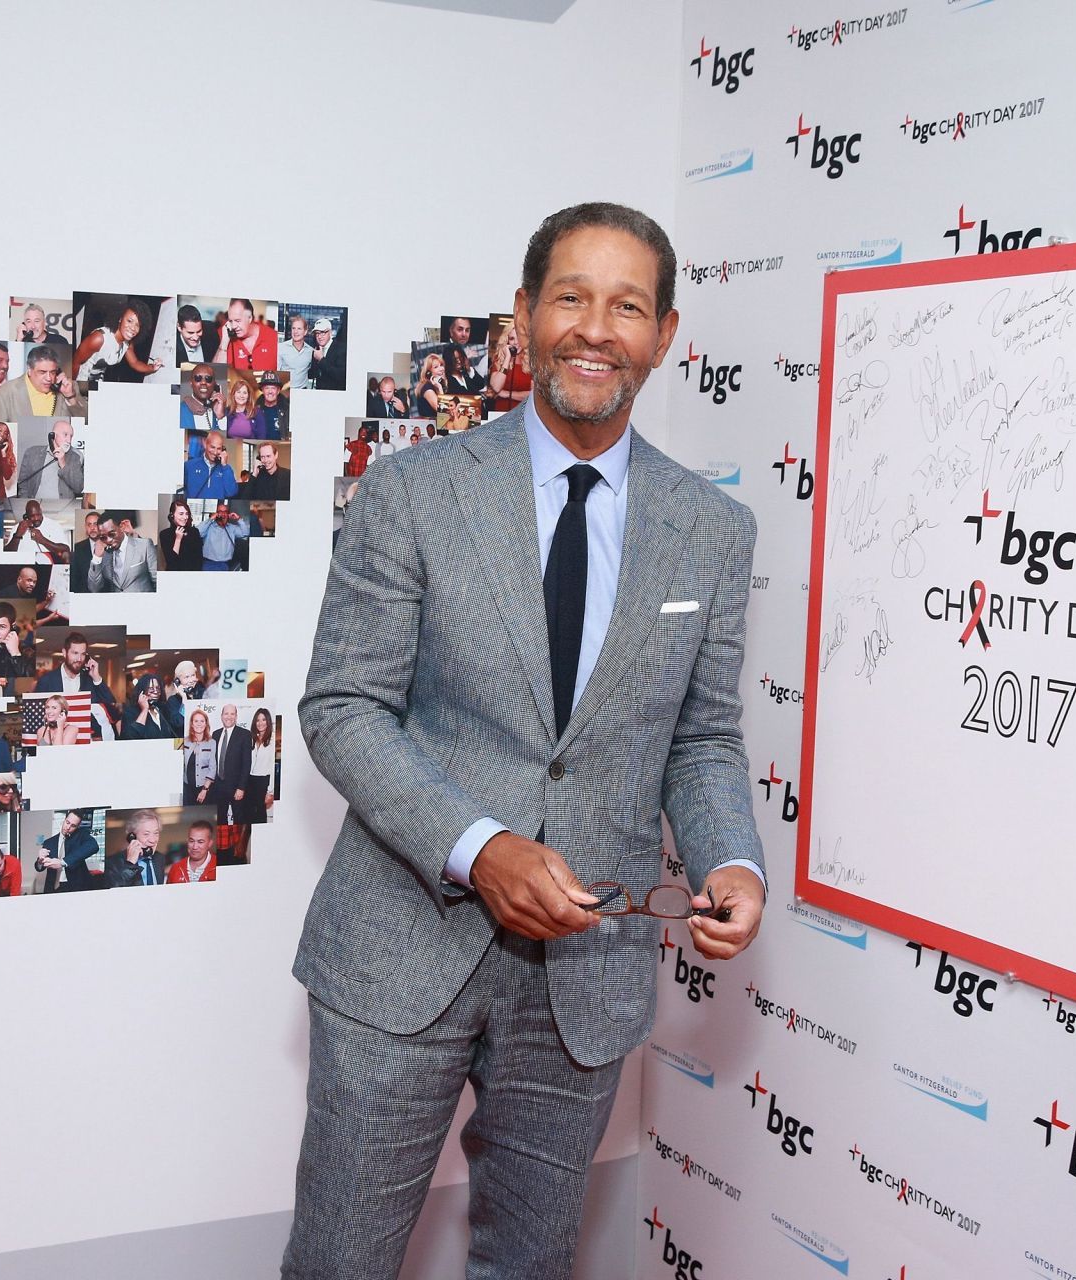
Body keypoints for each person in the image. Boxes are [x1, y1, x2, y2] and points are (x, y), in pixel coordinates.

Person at [282, 203, 766, 1278]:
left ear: (665, 335)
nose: (596, 329)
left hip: (586, 973)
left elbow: (704, 737)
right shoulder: (412, 491)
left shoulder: (714, 531)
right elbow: (341, 706)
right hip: (400, 948)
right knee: (340, 1260)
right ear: (523, 315)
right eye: (571, 298)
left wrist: (732, 858)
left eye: (627, 306)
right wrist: (481, 844)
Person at [73, 303, 161, 383]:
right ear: (120, 319)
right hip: (81, 381)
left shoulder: (127, 343)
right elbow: (75, 362)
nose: (133, 328)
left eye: (138, 325)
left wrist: (152, 367)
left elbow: (135, 363)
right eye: (129, 321)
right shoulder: (99, 338)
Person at [0, 345, 81, 421]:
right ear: (29, 370)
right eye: (42, 372)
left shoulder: (70, 388)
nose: (49, 378)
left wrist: (70, 397)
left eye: (53, 372)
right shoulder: (6, 392)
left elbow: (87, 424)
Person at [84, 513, 157, 593]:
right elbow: (94, 588)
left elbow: (156, 581)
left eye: (112, 534)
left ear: (121, 527)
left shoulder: (144, 545)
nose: (108, 540)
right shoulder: (105, 554)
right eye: (103, 537)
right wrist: (96, 558)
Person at [15, 418, 86, 501]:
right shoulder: (31, 453)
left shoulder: (76, 457)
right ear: (52, 435)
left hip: (63, 507)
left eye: (71, 436)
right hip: (35, 504)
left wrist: (63, 464)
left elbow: (78, 488)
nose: (69, 440)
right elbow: (22, 484)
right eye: (65, 435)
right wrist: (26, 503)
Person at [39, 809, 101, 893]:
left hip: (76, 887)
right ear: (64, 820)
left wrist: (62, 862)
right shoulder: (48, 842)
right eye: (67, 822)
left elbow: (93, 846)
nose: (68, 827)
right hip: (53, 888)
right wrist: (40, 861)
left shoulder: (81, 835)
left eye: (73, 825)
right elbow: (40, 868)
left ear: (78, 826)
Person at [209, 703, 251, 826]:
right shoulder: (215, 734)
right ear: (222, 716)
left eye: (232, 714)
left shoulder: (245, 734)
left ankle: (238, 844)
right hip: (218, 786)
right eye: (226, 713)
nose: (229, 717)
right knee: (220, 819)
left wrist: (241, 788)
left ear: (236, 716)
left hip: (236, 787)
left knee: (238, 819)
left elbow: (246, 763)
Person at [101, 809, 162, 888]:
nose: (153, 840)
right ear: (132, 836)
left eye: (156, 833)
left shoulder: (160, 859)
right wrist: (130, 865)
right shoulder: (111, 864)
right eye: (146, 834)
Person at [216, 298, 278, 371]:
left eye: (237, 321)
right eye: (231, 321)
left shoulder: (273, 337)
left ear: (250, 318)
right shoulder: (223, 335)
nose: (233, 326)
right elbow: (217, 374)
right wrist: (223, 344)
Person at [488, 317, 532, 412]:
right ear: (507, 341)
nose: (516, 342)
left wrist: (507, 394)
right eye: (512, 338)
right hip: (501, 411)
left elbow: (534, 395)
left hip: (524, 412)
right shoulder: (499, 359)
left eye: (519, 338)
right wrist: (507, 358)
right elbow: (496, 387)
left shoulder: (531, 362)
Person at [15, 304, 74, 372]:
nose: (33, 326)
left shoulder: (60, 340)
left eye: (37, 321)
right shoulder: (21, 341)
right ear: (24, 324)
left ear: (44, 322)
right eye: (29, 322)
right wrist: (19, 339)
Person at [184, 429, 238, 500]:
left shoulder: (226, 469)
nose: (215, 452)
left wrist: (225, 466)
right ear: (205, 444)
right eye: (212, 447)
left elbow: (231, 493)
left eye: (219, 448)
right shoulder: (189, 466)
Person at [244, 707, 276, 822]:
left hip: (263, 782)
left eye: (263, 719)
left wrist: (270, 791)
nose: (260, 723)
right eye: (257, 720)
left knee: (260, 814)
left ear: (268, 721)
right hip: (249, 781)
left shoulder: (272, 740)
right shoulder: (252, 739)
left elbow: (273, 767)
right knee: (248, 814)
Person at [119, 673, 171, 740]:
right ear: (142, 692)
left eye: (158, 688)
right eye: (151, 689)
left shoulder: (163, 710)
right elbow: (129, 737)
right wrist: (144, 710)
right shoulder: (130, 712)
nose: (155, 692)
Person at [181, 707, 216, 805]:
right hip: (187, 790)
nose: (199, 724)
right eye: (196, 721)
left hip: (204, 789)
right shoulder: (183, 741)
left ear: (206, 724)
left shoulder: (212, 743)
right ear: (192, 724)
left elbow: (213, 768)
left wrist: (205, 789)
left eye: (202, 721)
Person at [198, 500, 247, 571]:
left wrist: (238, 519)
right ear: (216, 514)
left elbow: (245, 533)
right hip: (209, 564)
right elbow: (197, 532)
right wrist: (211, 519)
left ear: (228, 514)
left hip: (225, 565)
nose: (223, 514)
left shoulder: (232, 528)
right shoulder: (209, 527)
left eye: (225, 512)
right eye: (220, 512)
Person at [166, 819, 219, 884]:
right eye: (191, 841)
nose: (194, 847)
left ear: (210, 843)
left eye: (200, 842)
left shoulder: (220, 867)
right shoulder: (175, 868)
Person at [159, 496, 203, 571]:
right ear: (172, 515)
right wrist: (178, 539)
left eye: (187, 514)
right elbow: (172, 563)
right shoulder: (164, 534)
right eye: (181, 514)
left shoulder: (194, 532)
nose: (185, 517)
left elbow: (199, 560)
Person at [179, 363, 226, 431]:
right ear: (191, 383)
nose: (203, 382)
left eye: (208, 379)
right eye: (198, 378)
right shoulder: (180, 410)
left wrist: (220, 417)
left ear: (215, 385)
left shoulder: (221, 412)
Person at [308, 314, 346, 390]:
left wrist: (321, 359)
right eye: (317, 333)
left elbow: (340, 376)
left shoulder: (341, 349)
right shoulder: (317, 350)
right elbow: (312, 374)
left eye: (322, 332)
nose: (319, 336)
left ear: (330, 332)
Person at [411, 351, 448, 420]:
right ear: (429, 372)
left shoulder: (439, 383)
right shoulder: (427, 388)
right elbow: (443, 411)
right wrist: (440, 388)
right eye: (436, 367)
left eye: (441, 365)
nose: (441, 369)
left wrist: (445, 382)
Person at [281, 314, 314, 390]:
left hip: (303, 390)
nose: (295, 331)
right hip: (286, 390)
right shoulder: (281, 348)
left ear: (305, 332)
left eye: (299, 329)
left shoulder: (310, 351)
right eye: (293, 328)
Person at [224, 376, 261, 440]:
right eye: (238, 392)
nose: (241, 396)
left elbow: (262, 437)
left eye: (244, 393)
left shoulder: (257, 412)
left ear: (248, 395)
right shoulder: (226, 412)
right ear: (233, 394)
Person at [255, 373, 288, 440]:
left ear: (278, 391)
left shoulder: (287, 411)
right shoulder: (254, 412)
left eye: (273, 388)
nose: (270, 391)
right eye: (267, 388)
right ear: (262, 390)